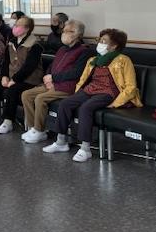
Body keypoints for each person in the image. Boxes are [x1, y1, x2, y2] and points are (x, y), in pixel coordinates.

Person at [43, 29, 142, 162]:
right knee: (65, 103)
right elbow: (83, 79)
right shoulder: (93, 60)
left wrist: (116, 103)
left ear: (114, 46)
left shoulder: (123, 60)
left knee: (86, 107)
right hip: (90, 90)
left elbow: (131, 86)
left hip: (108, 92)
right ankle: (61, 142)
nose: (100, 43)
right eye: (99, 40)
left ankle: (85, 149)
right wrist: (77, 94)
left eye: (104, 41)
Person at [20, 20, 92, 144]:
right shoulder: (62, 49)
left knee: (40, 98)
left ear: (78, 34)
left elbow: (77, 73)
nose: (64, 33)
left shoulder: (84, 51)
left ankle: (39, 130)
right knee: (26, 95)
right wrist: (48, 77)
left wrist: (53, 78)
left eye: (69, 31)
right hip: (53, 83)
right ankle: (32, 128)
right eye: (64, 31)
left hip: (68, 86)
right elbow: (52, 65)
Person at [0, 16, 43, 134]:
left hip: (29, 79)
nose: (15, 27)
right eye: (15, 25)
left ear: (27, 28)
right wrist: (4, 76)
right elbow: (6, 62)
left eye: (18, 25)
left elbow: (29, 67)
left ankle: (8, 121)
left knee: (12, 91)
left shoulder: (35, 45)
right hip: (12, 77)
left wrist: (15, 79)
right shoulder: (12, 42)